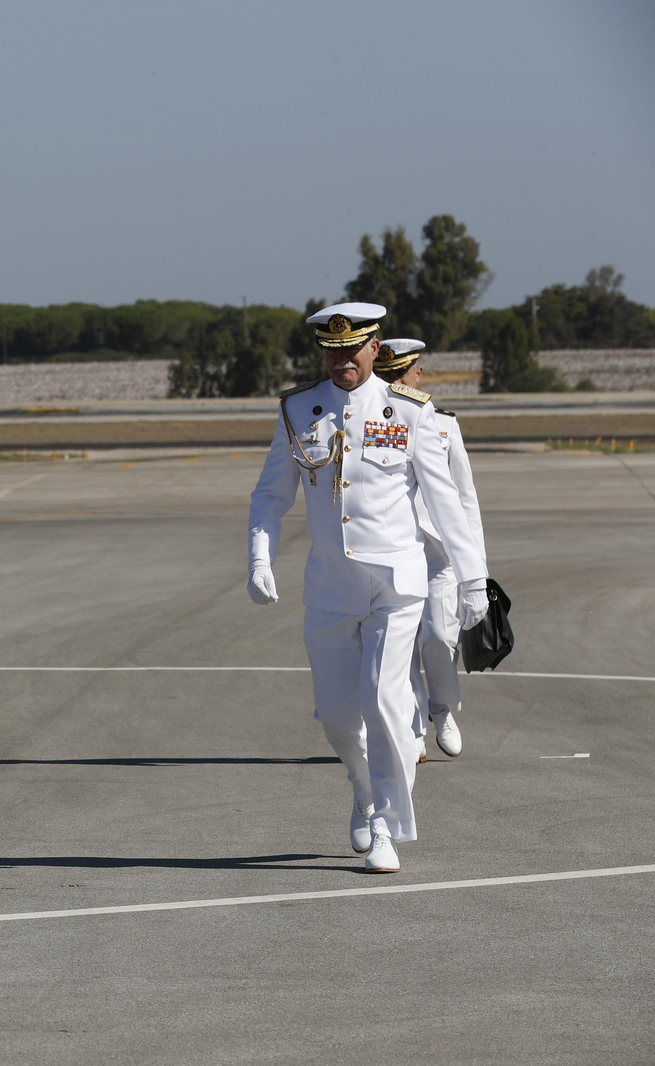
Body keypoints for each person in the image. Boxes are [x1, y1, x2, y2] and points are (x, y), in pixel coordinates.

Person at [247, 303, 488, 873]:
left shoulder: (409, 412)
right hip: (330, 587)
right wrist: (260, 555)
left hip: (395, 585)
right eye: (330, 352)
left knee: (384, 702)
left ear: (374, 348)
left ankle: (384, 822)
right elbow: (269, 495)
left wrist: (473, 579)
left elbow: (448, 504)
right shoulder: (298, 409)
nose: (340, 362)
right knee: (335, 715)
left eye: (351, 351)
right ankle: (361, 784)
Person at [374, 338, 486, 763]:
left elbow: (465, 500)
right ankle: (413, 726)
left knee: (439, 638)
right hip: (394, 551)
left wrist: (477, 569)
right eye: (385, 377)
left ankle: (442, 708)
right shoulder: (372, 422)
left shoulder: (444, 425)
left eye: (399, 376)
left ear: (417, 374)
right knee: (398, 647)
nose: (392, 385)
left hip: (438, 554)